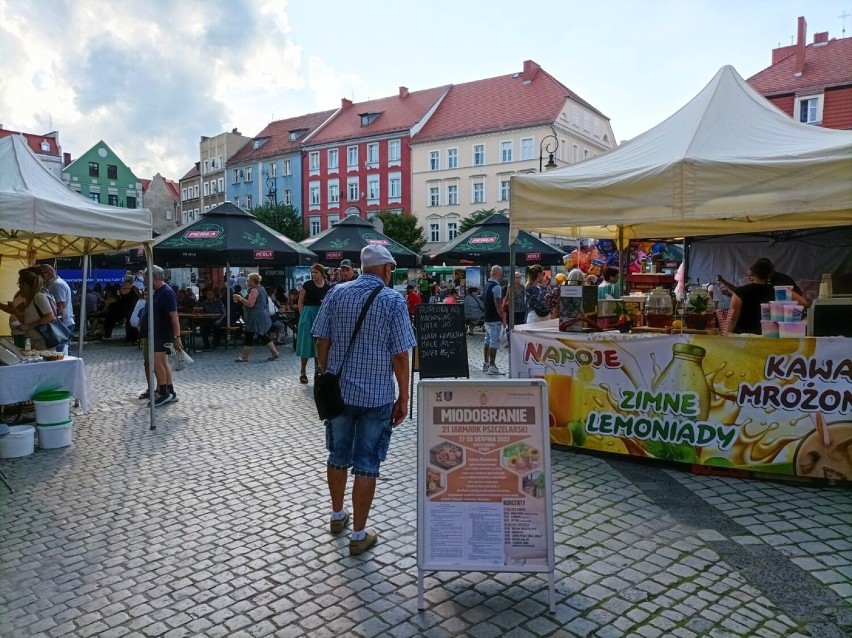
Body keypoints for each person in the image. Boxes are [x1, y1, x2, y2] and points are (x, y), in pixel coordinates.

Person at [313, 244, 416, 556]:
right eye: (392, 271)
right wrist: (404, 396)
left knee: (338, 454)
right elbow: (400, 355)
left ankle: (336, 515)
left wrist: (328, 373)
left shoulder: (336, 293)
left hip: (340, 393)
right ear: (386, 269)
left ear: (361, 266)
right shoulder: (392, 300)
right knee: (367, 463)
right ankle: (359, 534)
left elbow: (321, 340)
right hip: (376, 396)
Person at [138, 266, 182, 406]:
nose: (145, 280)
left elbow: (174, 316)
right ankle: (170, 390)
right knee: (162, 362)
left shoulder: (166, 293)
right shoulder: (157, 292)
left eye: (147, 278)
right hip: (156, 333)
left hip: (161, 333)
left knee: (156, 362)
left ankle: (164, 393)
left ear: (155, 278)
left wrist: (177, 336)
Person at [729, 259, 808, 334]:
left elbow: (732, 320)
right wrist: (787, 311)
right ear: (770, 274)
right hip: (770, 336)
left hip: (743, 338)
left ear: (753, 273)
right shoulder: (779, 291)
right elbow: (804, 303)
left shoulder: (739, 292)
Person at [0, 270, 58, 350]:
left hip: (42, 340)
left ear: (25, 285)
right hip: (32, 339)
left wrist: (28, 326)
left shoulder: (39, 296)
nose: (19, 288)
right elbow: (26, 320)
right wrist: (15, 311)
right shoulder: (29, 299)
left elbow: (50, 316)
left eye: (19, 285)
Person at [232, 273, 280, 363]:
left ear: (254, 281)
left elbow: (250, 304)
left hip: (255, 316)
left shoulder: (254, 290)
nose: (247, 282)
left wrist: (240, 298)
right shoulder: (262, 289)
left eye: (249, 280)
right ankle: (275, 353)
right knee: (261, 335)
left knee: (249, 334)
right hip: (261, 314)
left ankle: (244, 357)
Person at [296, 263, 329, 383]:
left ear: (322, 273)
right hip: (308, 314)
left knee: (319, 344)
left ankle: (317, 370)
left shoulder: (327, 287)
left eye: (316, 272)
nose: (313, 274)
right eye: (312, 272)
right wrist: (302, 315)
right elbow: (300, 301)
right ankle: (303, 371)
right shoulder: (307, 285)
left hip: (320, 315)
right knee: (305, 343)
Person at [39, 265, 75, 350]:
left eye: (41, 273)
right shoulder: (56, 283)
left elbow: (60, 307)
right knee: (64, 350)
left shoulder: (55, 284)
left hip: (62, 324)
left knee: (60, 352)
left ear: (49, 273)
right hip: (64, 322)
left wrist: (56, 324)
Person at [482, 265, 506, 374]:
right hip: (494, 319)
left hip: (487, 318)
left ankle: (486, 364)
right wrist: (503, 317)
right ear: (499, 274)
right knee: (494, 342)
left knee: (487, 341)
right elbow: (498, 305)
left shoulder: (486, 285)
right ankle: (492, 366)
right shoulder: (496, 287)